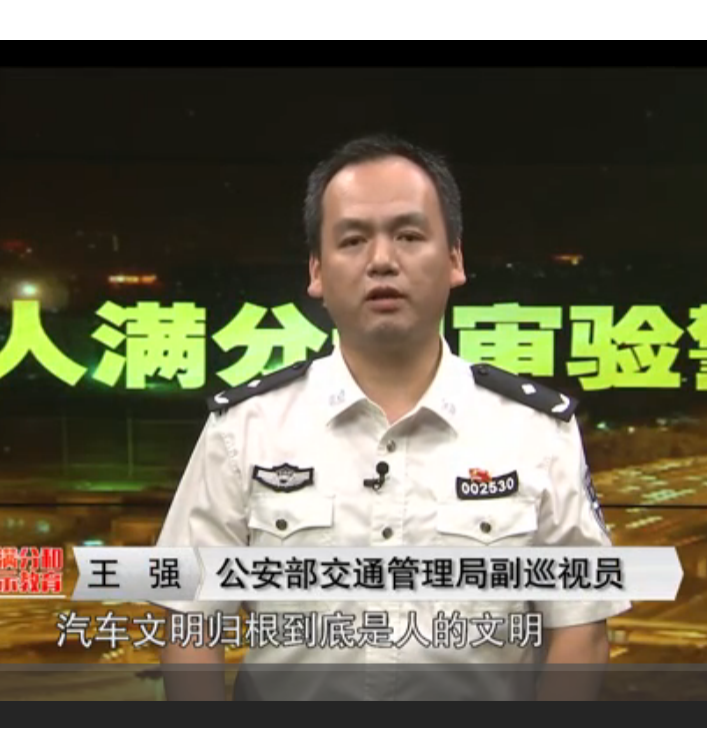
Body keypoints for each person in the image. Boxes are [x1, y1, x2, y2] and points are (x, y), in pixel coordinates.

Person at [153, 134, 627, 701]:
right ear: (317, 271)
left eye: (408, 235)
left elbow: (580, 628)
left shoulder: (536, 432)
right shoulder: (244, 430)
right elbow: (189, 620)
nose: (382, 260)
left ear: (454, 259)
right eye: (353, 240)